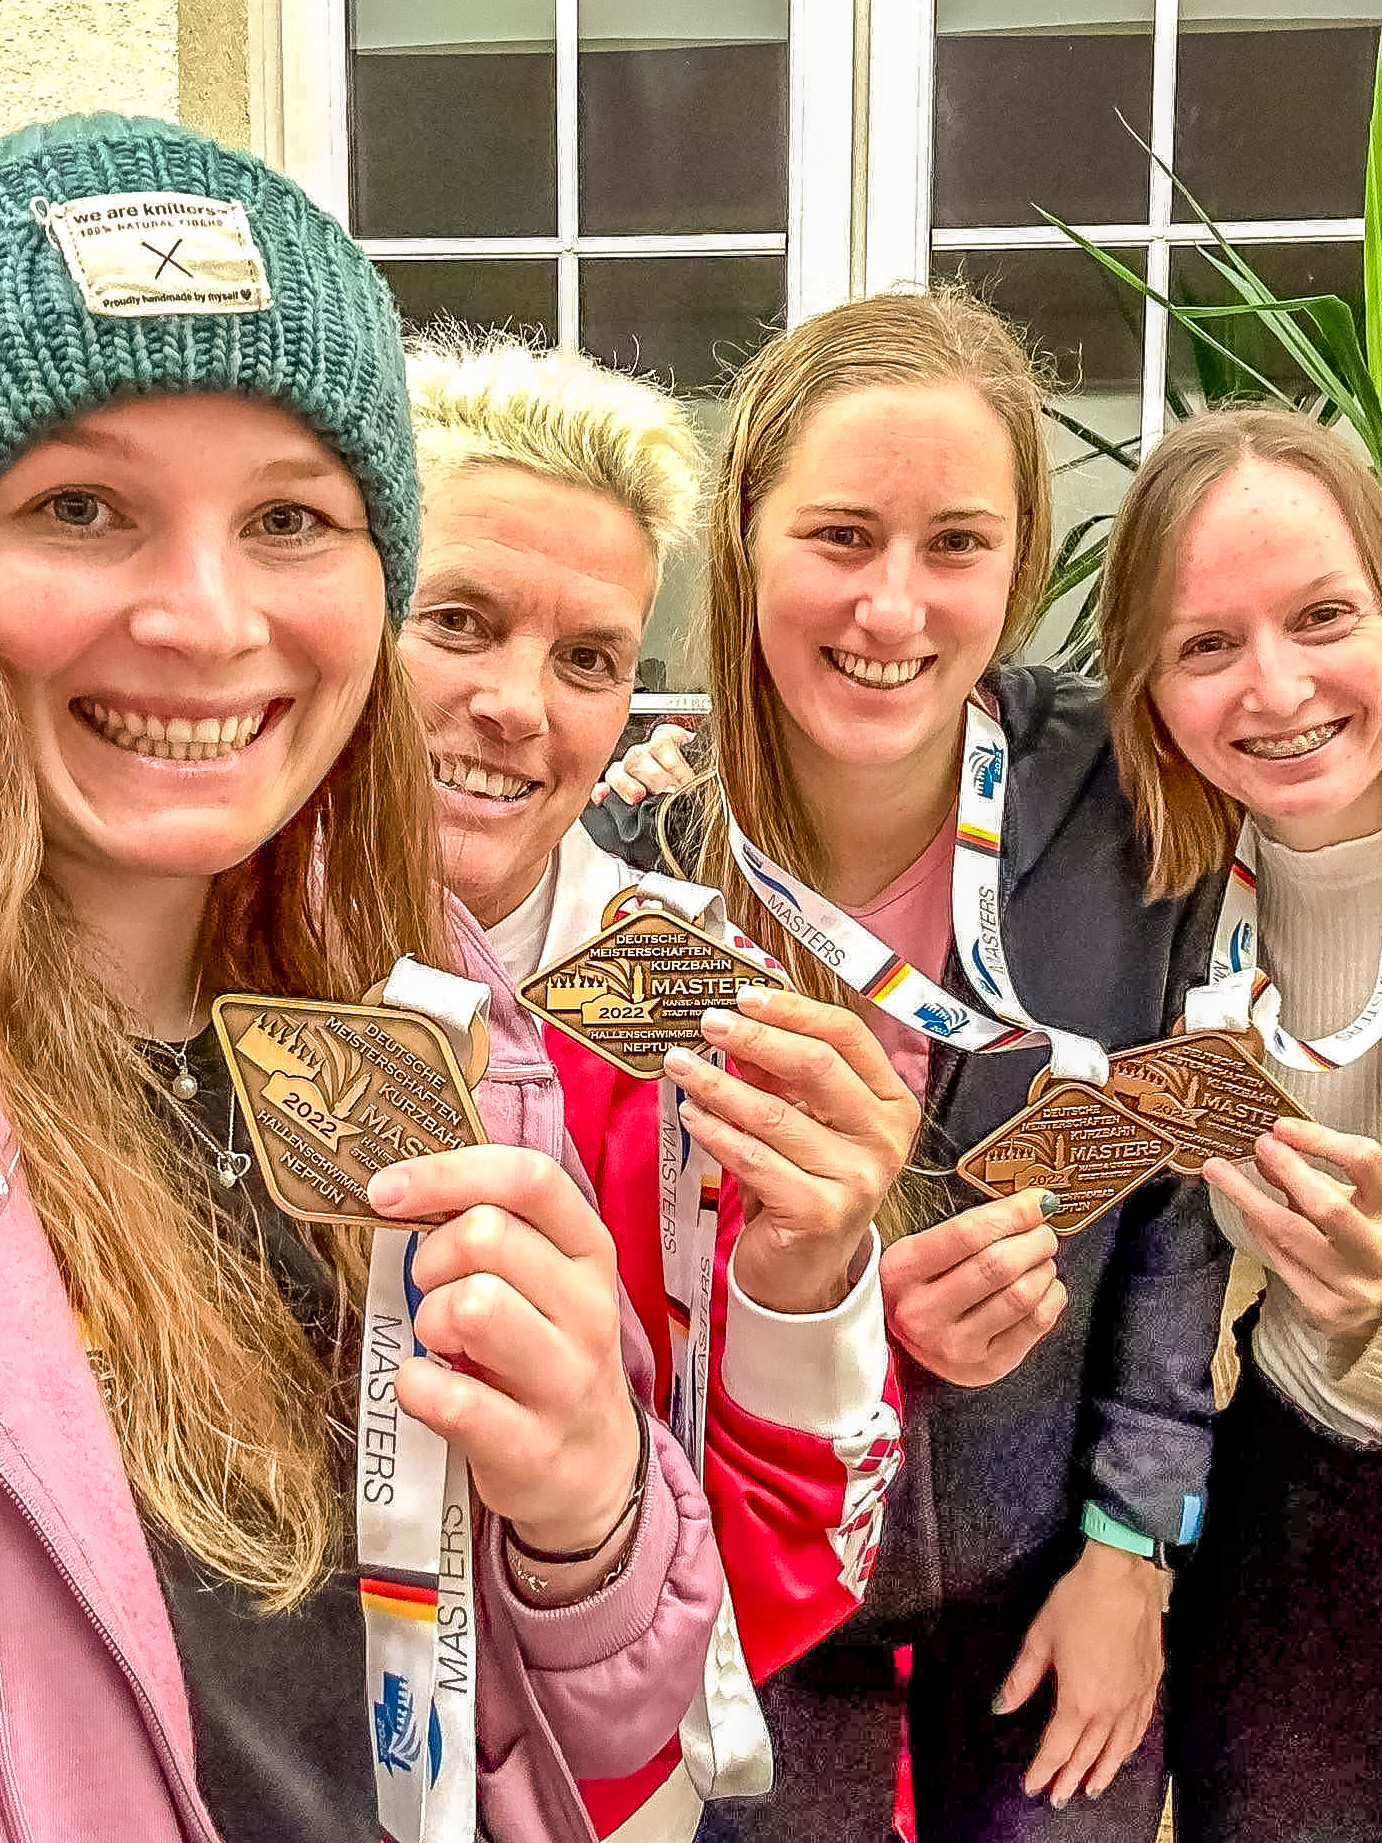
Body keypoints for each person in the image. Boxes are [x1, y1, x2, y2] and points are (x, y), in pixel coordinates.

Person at [0, 111, 725, 1843]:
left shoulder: (434, 1034)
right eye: (80, 504)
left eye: (291, 518)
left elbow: (625, 1715)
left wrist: (588, 1513)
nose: (202, 618)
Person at [587, 288, 1231, 1843]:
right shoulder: (625, 856)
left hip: (1039, 1576)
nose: (893, 610)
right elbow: (604, 1277)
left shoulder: (1129, 805)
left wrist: (1133, 1543)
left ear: (1019, 561)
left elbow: (1173, 1212)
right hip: (739, 1599)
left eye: (955, 544)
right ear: (743, 538)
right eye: (839, 538)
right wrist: (840, 1323)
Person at [397, 330, 920, 1841]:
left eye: (590, 661)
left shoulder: (696, 1017)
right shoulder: (186, 970)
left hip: (595, 1796)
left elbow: (787, 1570)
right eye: (458, 621)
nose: (520, 706)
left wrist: (810, 1273)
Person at [1099, 404, 1382, 1843]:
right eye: (1205, 644)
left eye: (1323, 615)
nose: (1275, 688)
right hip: (1300, 1493)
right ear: (1145, 688)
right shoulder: (1175, 891)